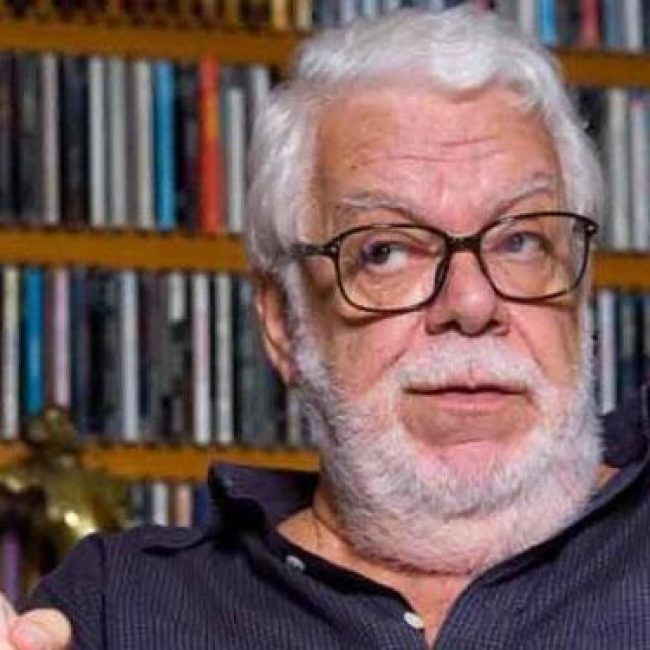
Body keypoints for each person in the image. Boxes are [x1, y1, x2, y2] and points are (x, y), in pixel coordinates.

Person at [3, 5, 650, 648]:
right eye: (385, 251)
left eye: (521, 241)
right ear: (284, 323)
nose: (472, 303)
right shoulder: (120, 606)